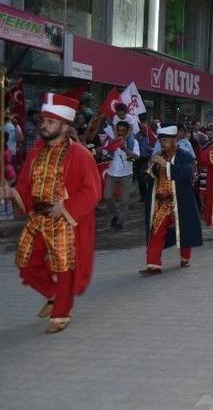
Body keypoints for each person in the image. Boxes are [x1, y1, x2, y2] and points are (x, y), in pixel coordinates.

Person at [4, 93, 100, 333]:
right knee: (26, 263)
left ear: (65, 126)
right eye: (43, 122)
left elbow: (92, 192)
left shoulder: (80, 155)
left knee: (64, 267)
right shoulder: (36, 152)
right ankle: (54, 294)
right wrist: (11, 192)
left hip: (64, 219)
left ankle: (61, 313)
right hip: (37, 217)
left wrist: (65, 207)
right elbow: (26, 184)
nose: (43, 126)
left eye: (49, 122)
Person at [140, 124, 203, 275]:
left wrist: (166, 165)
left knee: (183, 230)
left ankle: (185, 257)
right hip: (161, 202)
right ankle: (153, 265)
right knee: (155, 231)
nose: (163, 144)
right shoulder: (159, 156)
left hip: (179, 201)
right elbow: (148, 179)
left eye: (166, 141)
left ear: (175, 140)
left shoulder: (185, 156)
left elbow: (186, 176)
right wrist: (150, 168)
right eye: (161, 141)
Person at [101, 120, 140, 230]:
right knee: (107, 196)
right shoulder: (111, 140)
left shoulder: (133, 142)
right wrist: (103, 151)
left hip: (126, 174)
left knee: (124, 200)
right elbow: (103, 152)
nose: (120, 133)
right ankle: (116, 214)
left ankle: (120, 222)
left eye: (123, 131)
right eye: (118, 131)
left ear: (128, 131)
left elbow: (136, 157)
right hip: (112, 173)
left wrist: (125, 149)